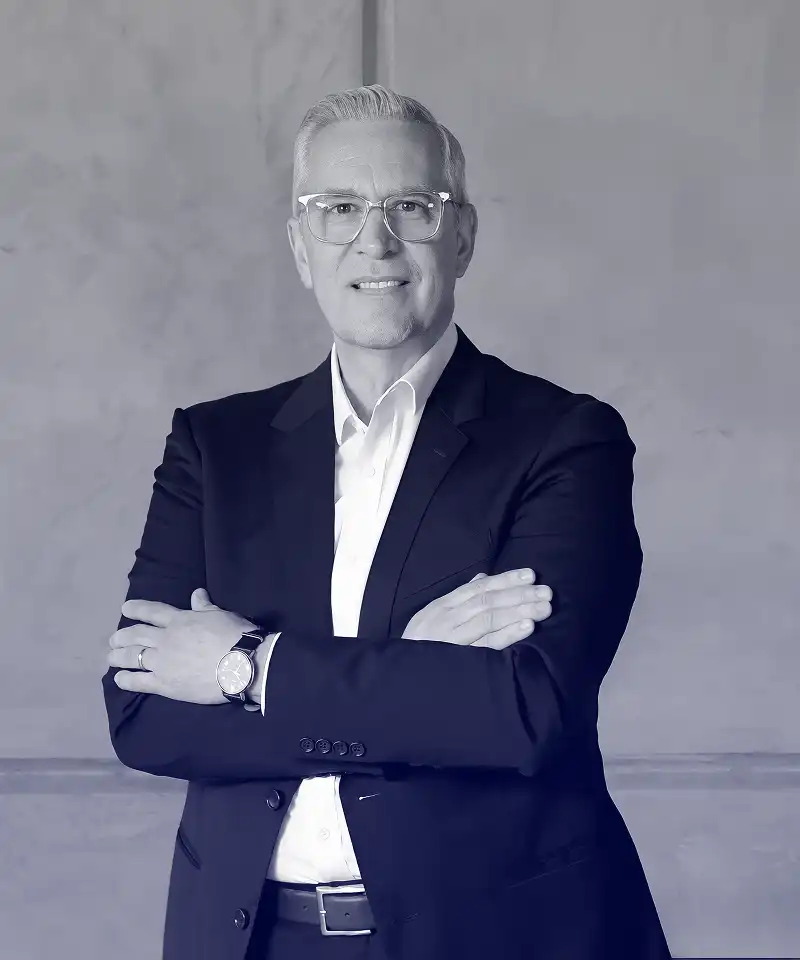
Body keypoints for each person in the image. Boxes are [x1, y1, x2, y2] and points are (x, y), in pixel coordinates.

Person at [102, 84, 671, 960]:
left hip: (492, 936)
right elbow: (143, 711)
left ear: (462, 236)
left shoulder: (565, 439)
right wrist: (414, 669)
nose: (374, 241)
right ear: (300, 246)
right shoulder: (215, 447)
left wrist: (242, 665)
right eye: (337, 209)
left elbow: (525, 709)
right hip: (252, 938)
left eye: (411, 206)